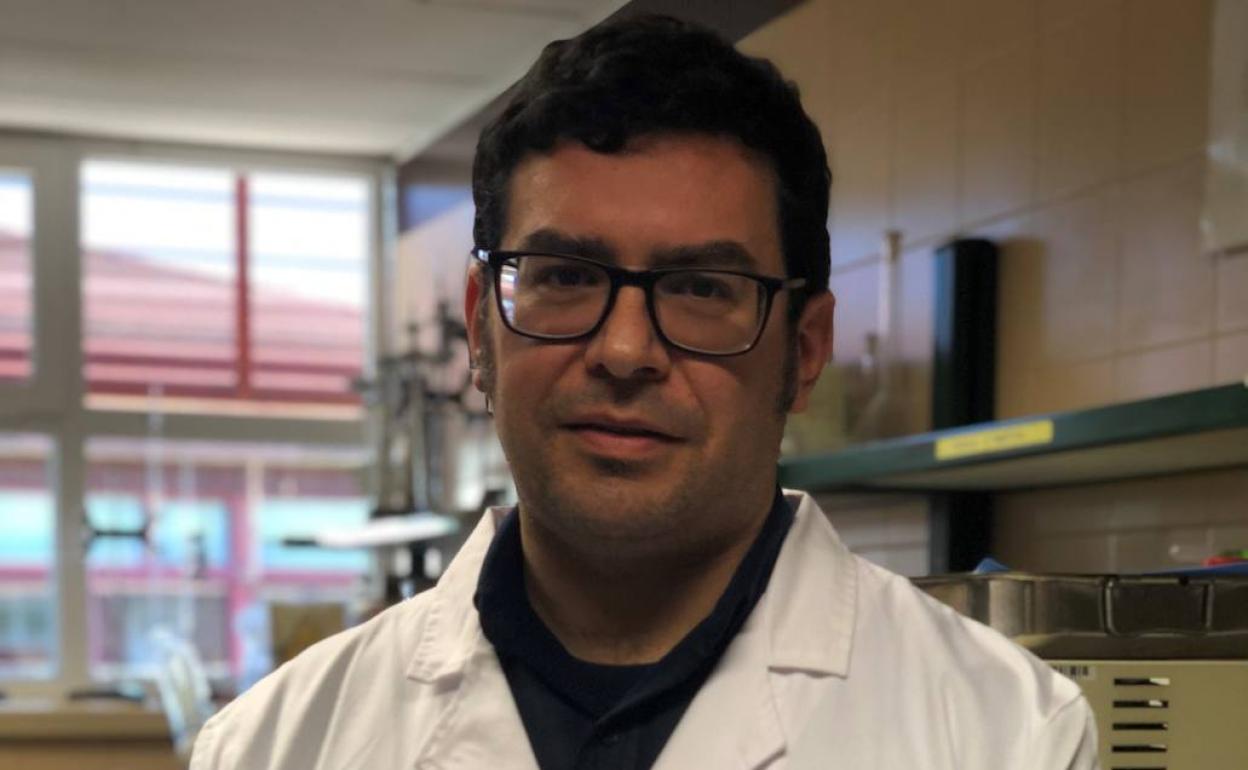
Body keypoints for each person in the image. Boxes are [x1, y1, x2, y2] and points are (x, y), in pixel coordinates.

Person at [190, 15, 1098, 770]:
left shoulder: (1007, 733)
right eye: (564, 277)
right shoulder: (274, 747)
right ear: (479, 325)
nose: (625, 351)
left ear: (804, 349)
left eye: (702, 288)